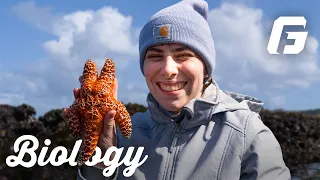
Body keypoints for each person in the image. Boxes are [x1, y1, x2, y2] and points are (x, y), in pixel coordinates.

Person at [63, 0, 291, 179]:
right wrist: (99, 164)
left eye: (183, 55)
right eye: (155, 56)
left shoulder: (248, 134)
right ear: (143, 67)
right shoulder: (125, 133)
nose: (168, 69)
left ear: (206, 66)